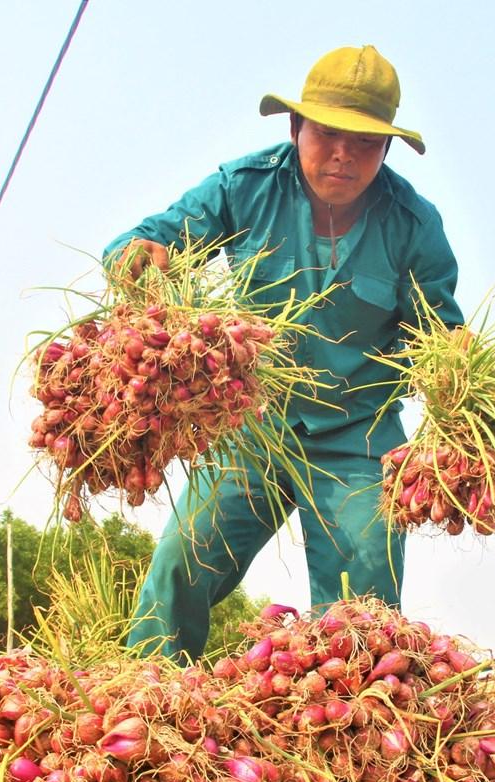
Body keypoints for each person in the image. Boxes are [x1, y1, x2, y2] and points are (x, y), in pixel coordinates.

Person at [104, 45, 464, 661]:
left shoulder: (413, 224)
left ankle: (354, 734)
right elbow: (142, 242)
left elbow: (441, 336)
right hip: (251, 422)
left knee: (363, 610)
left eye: (366, 142)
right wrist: (140, 262)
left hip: (358, 436)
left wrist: (460, 379)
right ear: (296, 126)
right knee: (178, 566)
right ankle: (148, 703)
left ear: (387, 151)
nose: (344, 154)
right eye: (327, 133)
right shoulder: (245, 188)